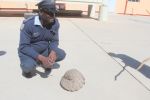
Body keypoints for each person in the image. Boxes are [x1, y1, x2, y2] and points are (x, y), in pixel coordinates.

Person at [18, 0, 66, 78]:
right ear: (40, 12)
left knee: (61, 54)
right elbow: (23, 47)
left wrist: (53, 51)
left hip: (45, 50)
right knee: (28, 67)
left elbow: (54, 40)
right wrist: (42, 58)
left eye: (54, 13)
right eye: (50, 13)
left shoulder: (55, 23)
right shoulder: (28, 24)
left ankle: (44, 62)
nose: (53, 16)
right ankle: (38, 61)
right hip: (30, 51)